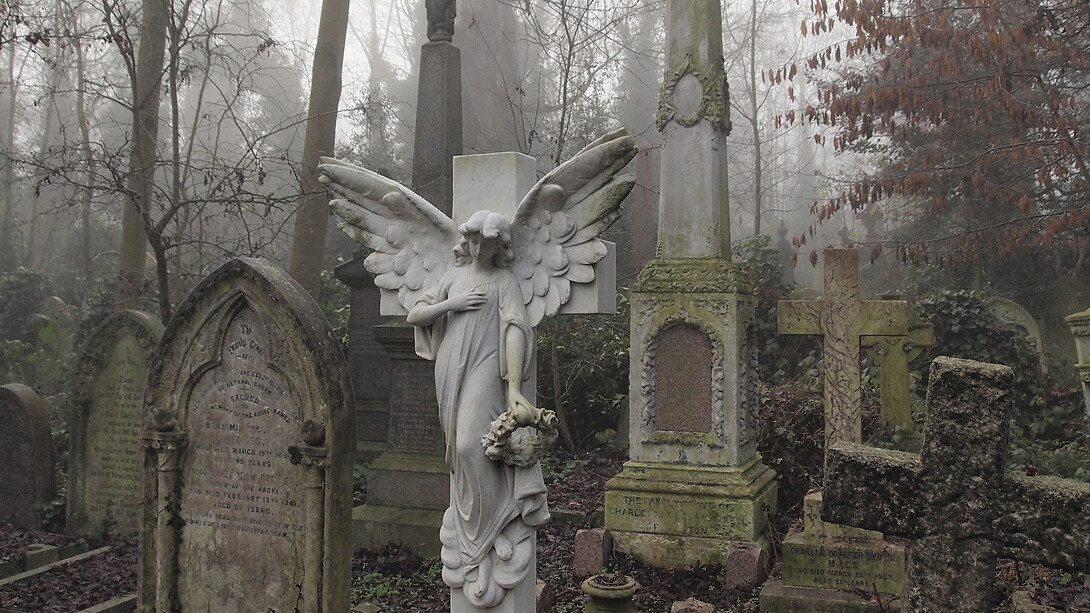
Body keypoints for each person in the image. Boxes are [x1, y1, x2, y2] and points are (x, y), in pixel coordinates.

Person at [406, 210, 550, 607]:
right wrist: (451, 303)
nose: (476, 249)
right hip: (450, 367)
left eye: (485, 243)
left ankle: (492, 527)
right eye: (472, 241)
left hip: (486, 367)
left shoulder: (504, 281)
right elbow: (415, 314)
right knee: (460, 454)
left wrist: (515, 387)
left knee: (473, 445)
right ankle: (481, 537)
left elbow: (516, 327)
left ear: (498, 246)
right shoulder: (452, 278)